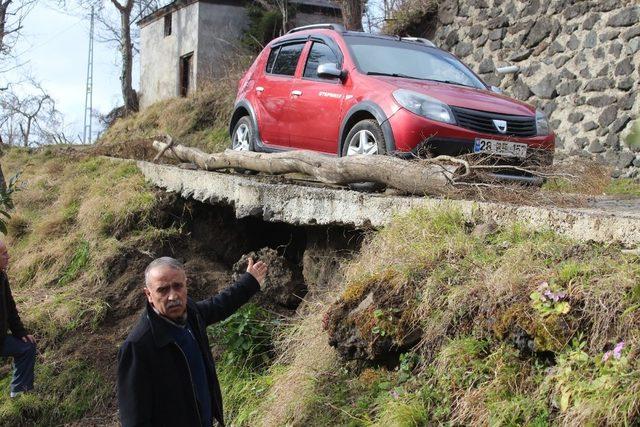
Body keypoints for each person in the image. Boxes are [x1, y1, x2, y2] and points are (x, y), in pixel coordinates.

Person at [117, 256, 267, 427]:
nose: (173, 296)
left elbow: (218, 306)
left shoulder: (192, 314)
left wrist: (249, 282)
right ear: (148, 294)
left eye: (178, 286)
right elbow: (134, 419)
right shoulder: (138, 347)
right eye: (163, 290)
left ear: (186, 285)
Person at [0, 241, 37, 398]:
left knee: (27, 346)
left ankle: (20, 393)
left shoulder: (2, 276)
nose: (8, 256)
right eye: (4, 254)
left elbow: (10, 307)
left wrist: (20, 332)